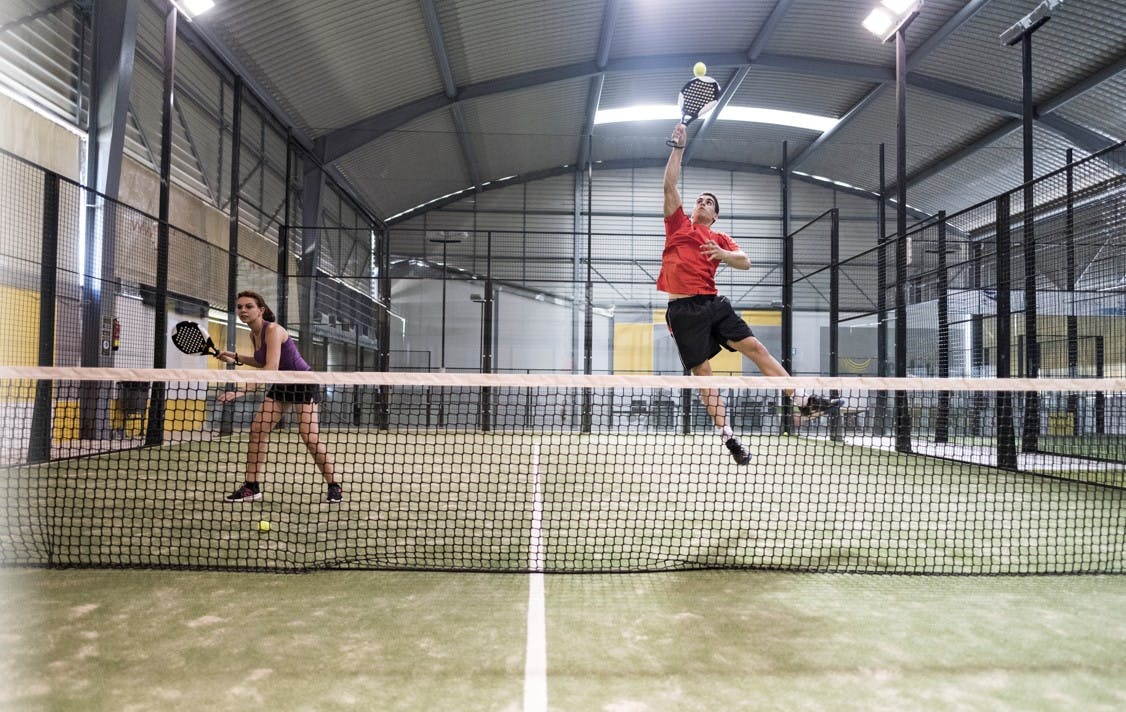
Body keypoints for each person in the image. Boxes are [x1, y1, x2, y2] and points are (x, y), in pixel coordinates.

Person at [660, 122, 840, 465]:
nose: (701, 201)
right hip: (683, 310)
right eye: (699, 198)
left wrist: (724, 255)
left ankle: (801, 400)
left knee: (756, 347)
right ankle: (729, 438)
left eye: (709, 201)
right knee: (703, 373)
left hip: (713, 304)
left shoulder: (721, 238)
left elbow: (745, 261)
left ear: (715, 215)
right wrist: (678, 148)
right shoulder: (678, 225)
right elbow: (669, 183)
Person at [216, 290, 341, 503]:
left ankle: (334, 485)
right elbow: (261, 361)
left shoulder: (272, 330)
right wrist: (234, 356)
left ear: (261, 310)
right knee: (257, 430)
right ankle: (251, 487)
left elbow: (271, 368)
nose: (243, 310)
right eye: (240, 307)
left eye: (249, 306)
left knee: (309, 438)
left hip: (303, 383)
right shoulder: (252, 334)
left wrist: (241, 390)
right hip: (281, 384)